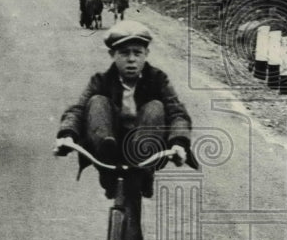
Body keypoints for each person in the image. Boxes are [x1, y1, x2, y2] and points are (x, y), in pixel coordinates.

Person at [53, 20, 198, 198]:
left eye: (137, 53)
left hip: (146, 149)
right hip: (109, 147)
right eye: (124, 53)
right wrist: (67, 135)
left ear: (146, 54)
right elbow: (77, 110)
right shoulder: (101, 80)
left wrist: (179, 143)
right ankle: (108, 168)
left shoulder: (158, 79)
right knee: (97, 101)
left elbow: (177, 113)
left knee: (156, 107)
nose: (131, 59)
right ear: (112, 54)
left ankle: (144, 175)